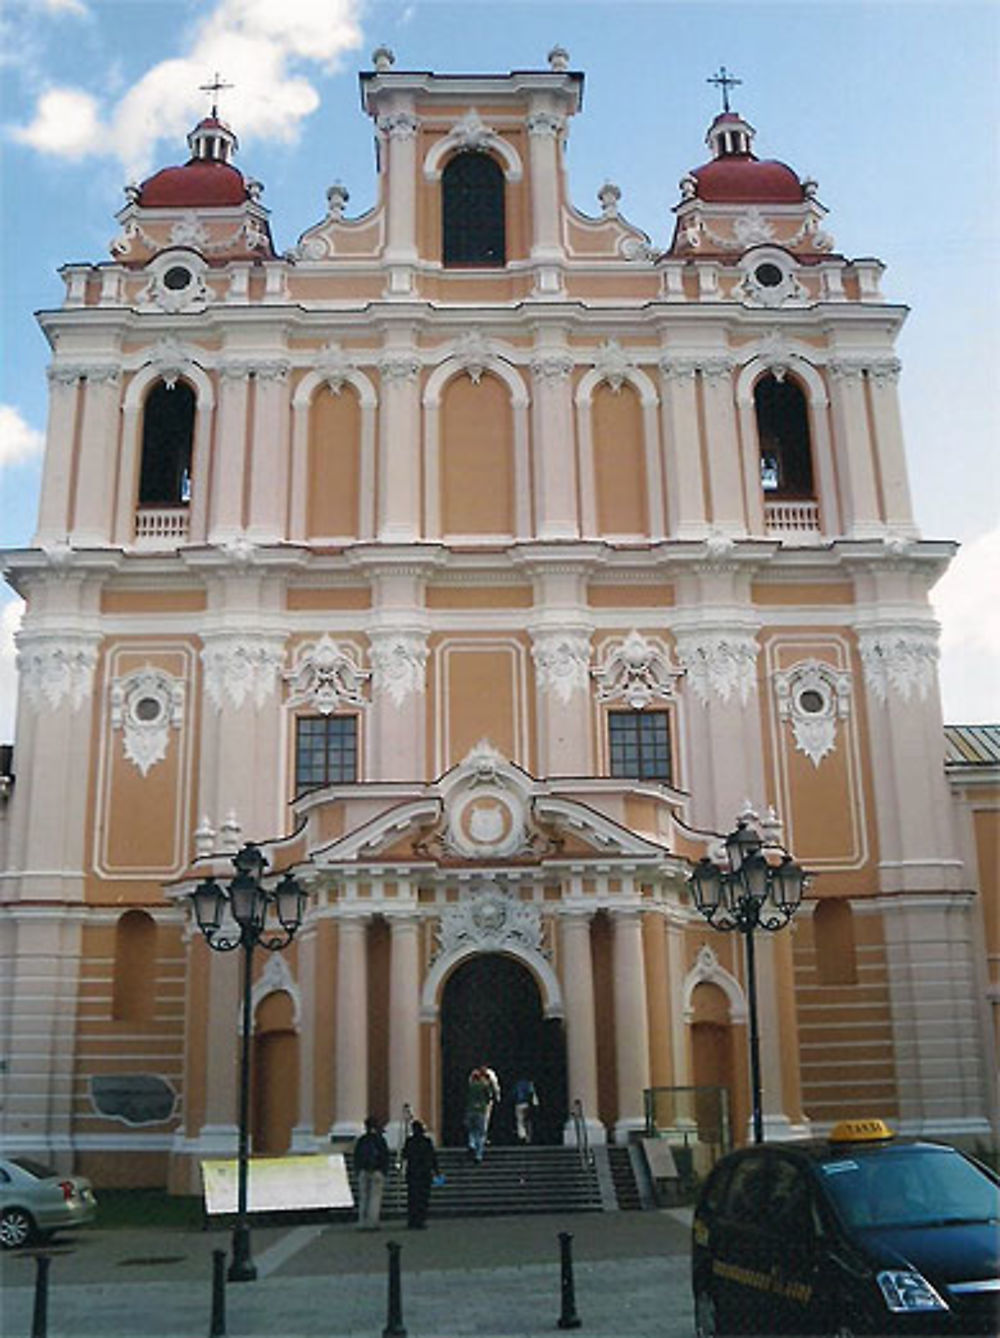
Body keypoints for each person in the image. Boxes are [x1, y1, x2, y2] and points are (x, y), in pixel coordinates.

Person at [353, 1115, 390, 1230]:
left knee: (363, 1197)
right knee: (375, 1197)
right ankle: (373, 1222)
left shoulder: (362, 1140)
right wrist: (384, 1170)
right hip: (377, 1171)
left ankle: (362, 1222)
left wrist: (358, 1170)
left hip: (363, 1171)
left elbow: (357, 1156)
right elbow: (385, 1156)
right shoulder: (380, 1140)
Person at [401, 1119, 439, 1228]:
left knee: (412, 1198)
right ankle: (421, 1219)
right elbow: (432, 1157)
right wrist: (436, 1171)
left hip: (413, 1173)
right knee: (423, 1198)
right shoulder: (427, 1141)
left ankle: (412, 1220)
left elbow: (405, 1155)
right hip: (424, 1173)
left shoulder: (409, 1141)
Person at [465, 1066, 495, 1163]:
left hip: (470, 1110)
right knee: (481, 1133)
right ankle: (478, 1155)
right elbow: (489, 1096)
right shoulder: (484, 1086)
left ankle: (471, 1144)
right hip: (481, 1110)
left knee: (472, 1130)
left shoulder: (471, 1086)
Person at [512, 1076, 538, 1145]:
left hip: (518, 1104)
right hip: (526, 1104)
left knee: (520, 1120)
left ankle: (522, 1135)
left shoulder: (517, 1085)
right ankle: (528, 1137)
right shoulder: (529, 1084)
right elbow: (531, 1094)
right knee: (528, 1121)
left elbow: (513, 1094)